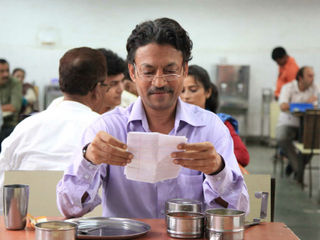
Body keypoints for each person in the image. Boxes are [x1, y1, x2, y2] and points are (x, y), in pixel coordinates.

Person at [57, 18, 249, 219]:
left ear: (184, 70)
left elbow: (238, 212)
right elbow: (70, 209)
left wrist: (217, 170)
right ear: (132, 72)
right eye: (148, 72)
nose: (158, 82)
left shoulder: (210, 128)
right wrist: (88, 160)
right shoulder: (107, 129)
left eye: (170, 71)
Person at [0, 47, 108, 215]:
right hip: (91, 231)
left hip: (27, 232)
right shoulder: (104, 131)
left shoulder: (23, 129)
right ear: (97, 89)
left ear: (61, 84)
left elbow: (2, 189)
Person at [180, 65, 250, 167]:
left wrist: (212, 157)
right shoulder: (174, 122)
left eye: (193, 90)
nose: (186, 96)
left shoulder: (220, 122)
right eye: (182, 91)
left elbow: (243, 156)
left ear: (208, 92)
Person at [276, 66, 319, 184]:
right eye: (310, 76)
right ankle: (298, 169)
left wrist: (296, 105)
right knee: (281, 137)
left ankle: (293, 166)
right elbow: (283, 106)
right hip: (288, 123)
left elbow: (317, 105)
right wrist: (306, 104)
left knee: (313, 143)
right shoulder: (288, 88)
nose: (313, 79)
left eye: (313, 75)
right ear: (300, 78)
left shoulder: (315, 87)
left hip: (307, 125)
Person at [0, 59, 22, 150]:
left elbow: (14, 107)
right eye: (1, 71)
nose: (5, 74)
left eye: (7, 71)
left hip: (8, 123)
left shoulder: (15, 83)